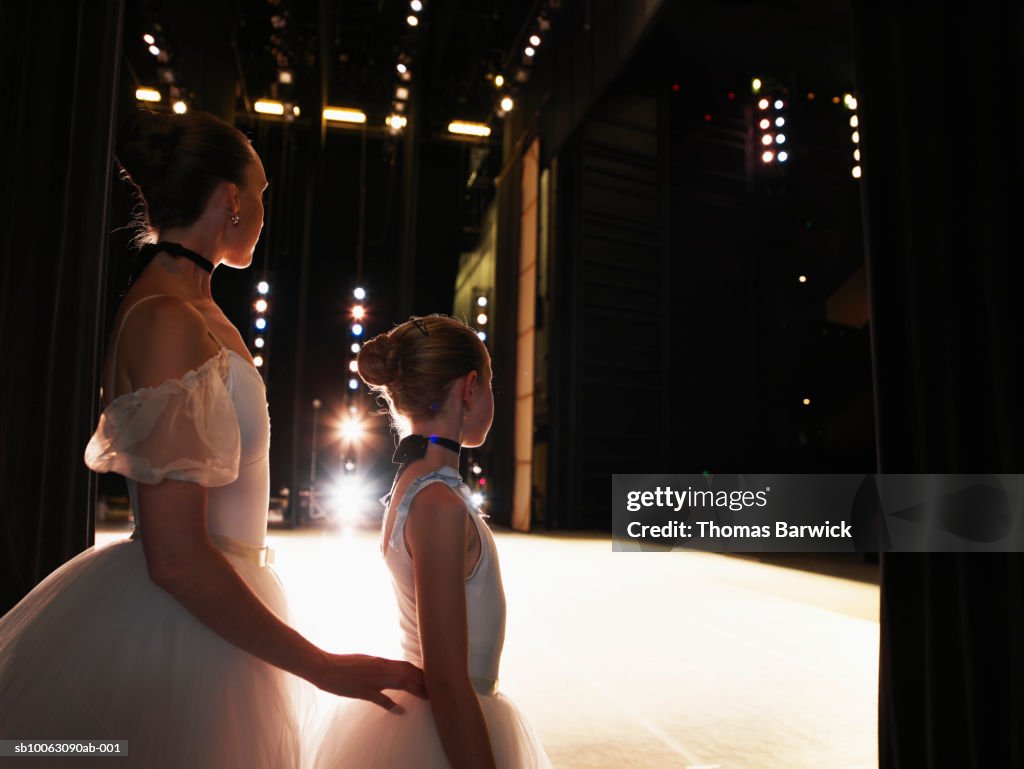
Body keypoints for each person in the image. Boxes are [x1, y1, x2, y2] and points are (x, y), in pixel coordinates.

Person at [0, 109, 424, 768]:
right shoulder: (167, 317)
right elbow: (175, 558)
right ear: (230, 200)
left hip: (213, 617)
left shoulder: (196, 309)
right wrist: (322, 666)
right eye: (261, 195)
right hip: (181, 629)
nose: (262, 212)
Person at [313, 315, 552, 769]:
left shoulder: (414, 483)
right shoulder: (438, 502)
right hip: (450, 726)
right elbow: (446, 681)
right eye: (492, 384)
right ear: (470, 388)